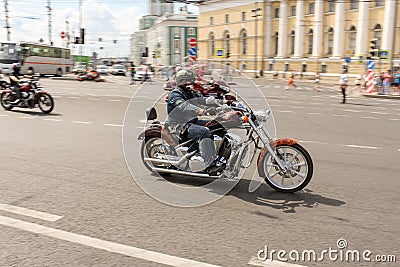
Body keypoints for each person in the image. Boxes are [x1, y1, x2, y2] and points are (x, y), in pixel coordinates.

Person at [167, 69, 223, 175]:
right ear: (182, 81)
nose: (191, 83)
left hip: (191, 122)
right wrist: (200, 110)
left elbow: (202, 99)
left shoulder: (190, 92)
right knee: (204, 132)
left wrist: (221, 102)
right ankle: (209, 164)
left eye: (192, 80)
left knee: (217, 125)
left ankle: (217, 155)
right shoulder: (175, 94)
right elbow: (183, 105)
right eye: (189, 81)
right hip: (179, 125)